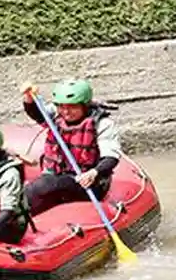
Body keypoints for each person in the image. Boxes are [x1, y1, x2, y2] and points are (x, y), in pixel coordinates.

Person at [20, 78, 122, 215]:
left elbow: (111, 157)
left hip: (88, 182)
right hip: (57, 175)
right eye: (62, 106)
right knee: (45, 186)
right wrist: (29, 98)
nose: (66, 112)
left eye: (72, 107)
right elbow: (37, 113)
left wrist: (93, 173)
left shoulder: (102, 124)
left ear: (84, 105)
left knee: (47, 185)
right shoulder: (57, 115)